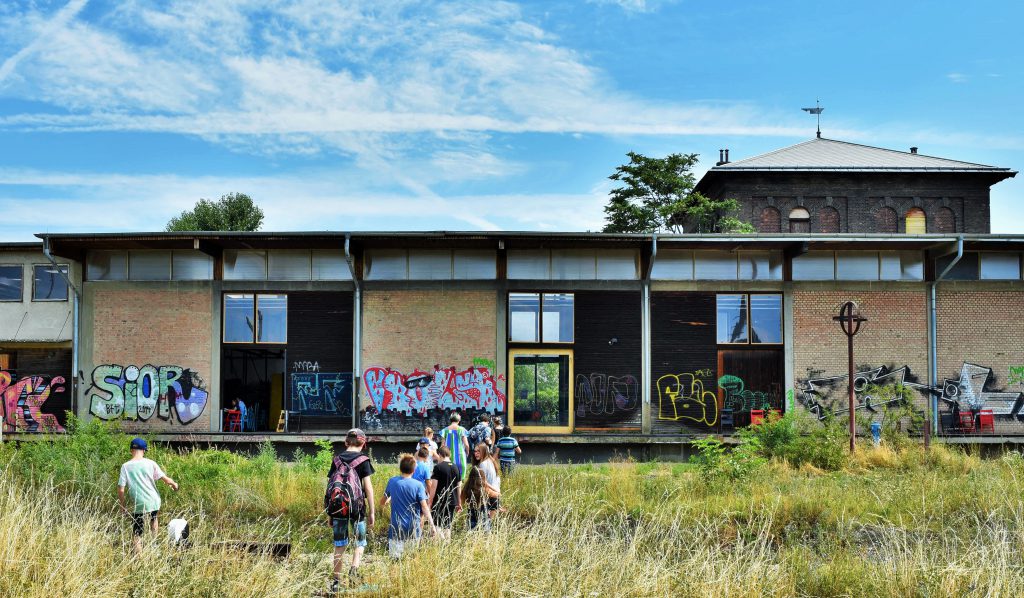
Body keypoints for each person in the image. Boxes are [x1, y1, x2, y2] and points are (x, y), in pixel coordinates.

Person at [327, 428, 376, 593]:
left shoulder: (337, 460)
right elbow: (368, 488)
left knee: (339, 544)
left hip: (338, 508)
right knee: (360, 541)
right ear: (363, 443)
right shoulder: (363, 460)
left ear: (346, 442)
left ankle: (336, 583)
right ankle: (354, 572)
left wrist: (329, 512)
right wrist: (372, 512)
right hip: (358, 509)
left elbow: (330, 486)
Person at [117, 437, 179, 553]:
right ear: (144, 451)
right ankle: (154, 544)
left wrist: (122, 505)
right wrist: (175, 485)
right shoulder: (151, 463)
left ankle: (140, 559)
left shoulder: (125, 466)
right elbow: (166, 480)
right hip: (153, 500)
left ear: (131, 450)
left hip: (138, 502)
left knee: (137, 531)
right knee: (153, 519)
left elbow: (121, 489)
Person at [381, 454, 437, 558]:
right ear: (414, 470)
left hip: (396, 526)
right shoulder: (418, 485)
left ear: (400, 468)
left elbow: (382, 502)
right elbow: (424, 507)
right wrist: (432, 525)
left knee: (394, 559)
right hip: (413, 526)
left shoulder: (392, 481)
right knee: (411, 558)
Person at [427, 445, 461, 540]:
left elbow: (434, 486)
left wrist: (430, 501)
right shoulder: (456, 467)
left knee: (437, 523)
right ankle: (447, 543)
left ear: (440, 454)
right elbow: (459, 486)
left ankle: (440, 542)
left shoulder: (438, 467)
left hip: (439, 500)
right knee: (447, 525)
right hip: (453, 501)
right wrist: (459, 502)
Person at [474, 443, 501, 519]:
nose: (476, 453)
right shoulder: (491, 460)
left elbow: (483, 482)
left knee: (485, 524)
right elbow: (498, 479)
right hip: (495, 495)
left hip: (490, 495)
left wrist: (494, 490)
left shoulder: (483, 464)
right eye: (475, 451)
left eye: (478, 451)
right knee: (489, 524)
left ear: (484, 451)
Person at [440, 412, 470, 479]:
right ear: (459, 420)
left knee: (449, 476)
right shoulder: (462, 430)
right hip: (460, 456)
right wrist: (467, 452)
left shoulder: (445, 430)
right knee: (460, 477)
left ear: (450, 420)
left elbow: (442, 445)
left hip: (448, 457)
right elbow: (466, 444)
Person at [460, 462, 489, 531]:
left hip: (471, 519)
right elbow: (497, 494)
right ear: (482, 477)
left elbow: (461, 502)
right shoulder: (484, 490)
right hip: (484, 520)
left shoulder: (466, 489)